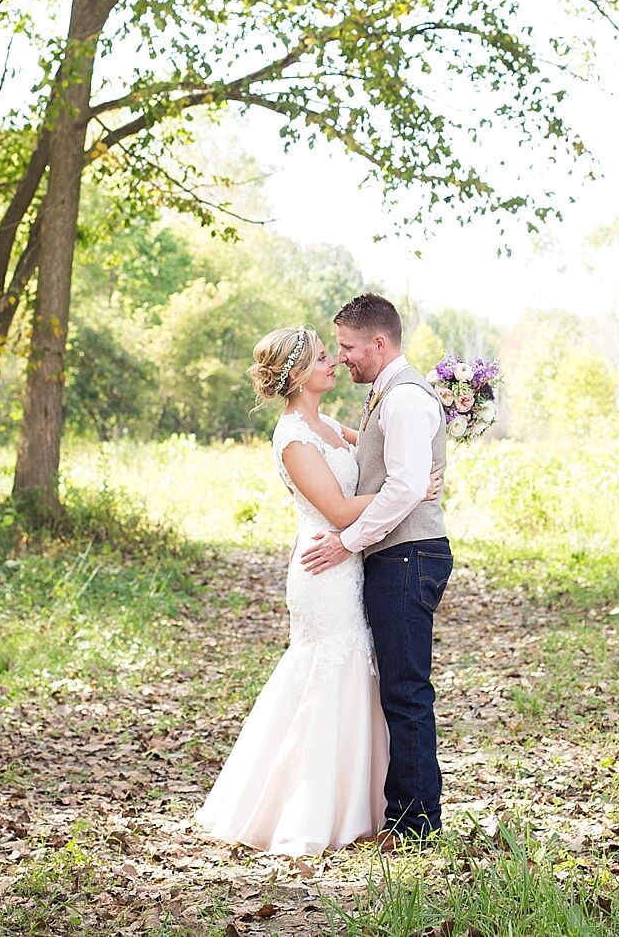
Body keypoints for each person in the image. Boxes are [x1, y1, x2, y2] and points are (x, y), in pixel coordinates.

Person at [194, 324, 440, 855]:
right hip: (323, 566)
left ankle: (362, 804)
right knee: (329, 670)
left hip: (350, 559)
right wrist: (413, 487)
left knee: (359, 675)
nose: (334, 364)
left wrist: (413, 467)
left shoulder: (328, 425)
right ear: (298, 373)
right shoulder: (293, 440)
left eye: (335, 354)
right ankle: (308, 807)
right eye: (325, 358)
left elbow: (374, 459)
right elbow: (337, 508)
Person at [300, 293, 452, 847]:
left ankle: (415, 826)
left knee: (406, 692)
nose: (342, 359)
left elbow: (407, 485)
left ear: (379, 343)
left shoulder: (405, 399)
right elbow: (396, 470)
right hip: (399, 554)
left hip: (408, 555)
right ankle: (406, 814)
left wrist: (348, 540)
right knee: (398, 688)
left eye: (347, 348)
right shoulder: (386, 398)